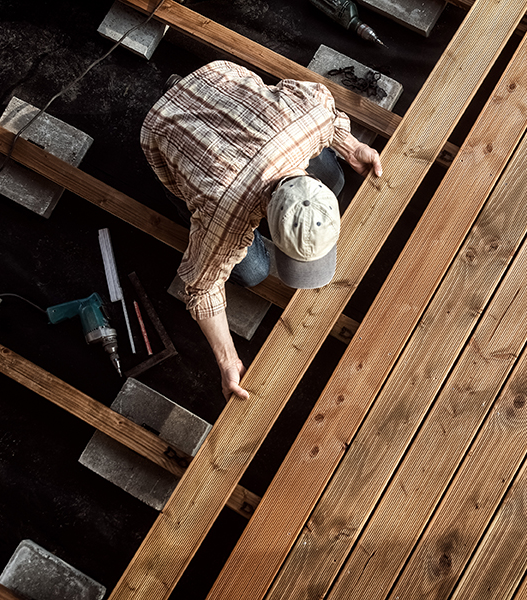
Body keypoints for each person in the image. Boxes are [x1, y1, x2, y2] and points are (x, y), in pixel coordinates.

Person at [141, 60, 382, 401]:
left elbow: (324, 112)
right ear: (267, 213)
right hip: (166, 126)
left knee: (336, 177)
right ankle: (182, 185)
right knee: (253, 270)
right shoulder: (225, 213)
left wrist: (350, 146)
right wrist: (226, 360)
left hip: (219, 79)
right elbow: (201, 288)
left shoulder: (310, 118)